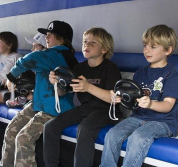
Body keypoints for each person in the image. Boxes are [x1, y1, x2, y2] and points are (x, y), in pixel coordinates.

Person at [100, 25, 178, 167]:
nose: (146, 50)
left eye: (153, 47)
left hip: (163, 122)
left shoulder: (173, 76)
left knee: (137, 137)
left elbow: (168, 105)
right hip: (138, 118)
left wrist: (151, 104)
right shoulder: (140, 73)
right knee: (112, 134)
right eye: (145, 46)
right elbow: (132, 98)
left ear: (168, 50)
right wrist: (119, 98)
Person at [0, 20, 78, 167]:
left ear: (62, 39)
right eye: (46, 35)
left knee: (23, 138)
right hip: (40, 104)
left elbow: (29, 59)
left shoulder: (59, 54)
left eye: (51, 35)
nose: (47, 38)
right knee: (11, 131)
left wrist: (11, 77)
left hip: (56, 108)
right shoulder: (50, 54)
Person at [43, 27, 122, 167]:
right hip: (86, 108)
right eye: (85, 41)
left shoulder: (110, 68)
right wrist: (55, 83)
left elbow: (113, 99)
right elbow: (64, 92)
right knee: (50, 127)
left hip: (107, 111)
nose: (87, 45)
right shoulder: (79, 68)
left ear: (104, 49)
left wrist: (88, 87)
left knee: (84, 128)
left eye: (93, 43)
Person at [5, 32, 46, 108]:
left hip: (42, 96)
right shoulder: (35, 63)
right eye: (32, 46)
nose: (32, 49)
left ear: (45, 48)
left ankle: (23, 98)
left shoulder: (48, 65)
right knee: (6, 95)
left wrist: (32, 95)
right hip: (32, 91)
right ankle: (23, 97)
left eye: (35, 46)